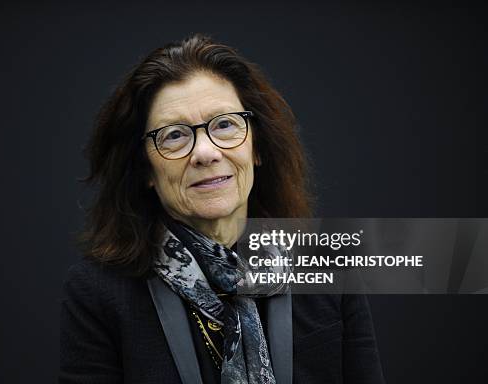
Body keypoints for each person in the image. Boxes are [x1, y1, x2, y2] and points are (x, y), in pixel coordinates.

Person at [59, 34, 385, 384]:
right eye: (174, 135)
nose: (205, 152)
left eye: (225, 125)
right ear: (146, 170)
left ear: (257, 148)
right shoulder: (97, 292)